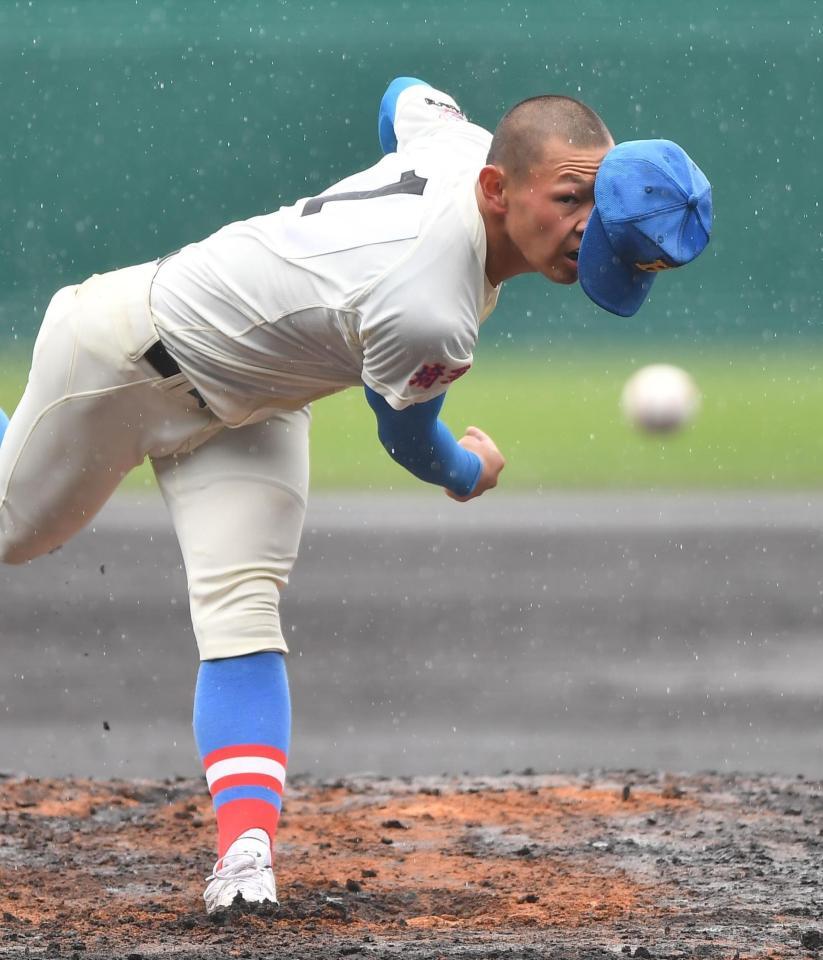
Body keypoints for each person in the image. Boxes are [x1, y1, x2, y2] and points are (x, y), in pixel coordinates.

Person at [0, 78, 710, 914]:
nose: (587, 223)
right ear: (495, 187)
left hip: (255, 402)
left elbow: (403, 96)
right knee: (11, 535)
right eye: (568, 196)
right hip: (122, 361)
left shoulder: (455, 144)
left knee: (242, 611)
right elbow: (410, 441)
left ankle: (244, 858)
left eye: (601, 204)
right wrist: (466, 471)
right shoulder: (427, 306)